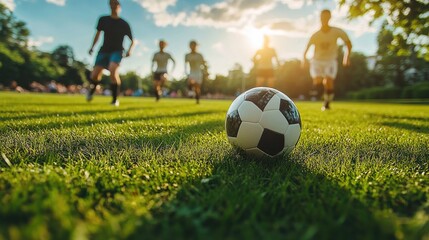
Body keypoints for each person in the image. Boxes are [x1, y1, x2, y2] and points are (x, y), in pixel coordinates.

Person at [86, 0, 135, 107]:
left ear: (119, 6)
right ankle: (92, 90)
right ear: (109, 6)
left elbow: (133, 40)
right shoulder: (103, 19)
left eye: (116, 4)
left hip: (117, 51)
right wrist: (92, 47)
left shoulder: (124, 23)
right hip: (103, 50)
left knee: (113, 70)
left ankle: (114, 99)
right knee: (94, 75)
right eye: (111, 4)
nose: (113, 6)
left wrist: (130, 50)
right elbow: (97, 34)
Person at [303, 9, 352, 111]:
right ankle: (318, 95)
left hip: (330, 60)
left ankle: (327, 103)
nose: (324, 19)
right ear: (320, 18)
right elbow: (307, 48)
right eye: (323, 17)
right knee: (318, 80)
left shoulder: (337, 31)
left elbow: (348, 43)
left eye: (327, 16)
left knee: (329, 81)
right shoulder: (315, 34)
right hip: (317, 61)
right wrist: (303, 59)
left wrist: (346, 56)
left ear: (330, 18)